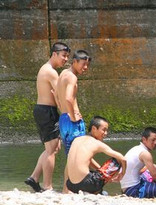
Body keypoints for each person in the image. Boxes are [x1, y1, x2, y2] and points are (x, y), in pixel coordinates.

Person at [25, 42, 70, 192]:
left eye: (67, 56)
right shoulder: (51, 71)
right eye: (63, 56)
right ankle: (48, 186)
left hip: (44, 110)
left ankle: (34, 177)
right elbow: (60, 95)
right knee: (51, 149)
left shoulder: (45, 69)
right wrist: (66, 112)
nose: (65, 59)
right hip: (47, 111)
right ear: (54, 54)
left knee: (53, 147)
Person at [55, 49, 91, 193]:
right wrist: (73, 115)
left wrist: (65, 113)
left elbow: (56, 96)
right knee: (77, 155)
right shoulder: (72, 77)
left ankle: (66, 189)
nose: (85, 68)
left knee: (70, 156)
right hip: (71, 121)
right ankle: (71, 189)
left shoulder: (62, 74)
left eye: (87, 65)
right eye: (83, 64)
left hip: (63, 119)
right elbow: (69, 98)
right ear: (75, 61)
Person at [66, 116, 126, 194]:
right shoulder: (96, 143)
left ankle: (92, 191)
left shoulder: (76, 140)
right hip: (87, 184)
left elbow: (88, 160)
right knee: (116, 160)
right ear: (94, 128)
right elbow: (123, 159)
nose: (105, 133)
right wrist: (122, 174)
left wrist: (100, 170)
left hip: (71, 184)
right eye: (104, 130)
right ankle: (95, 191)